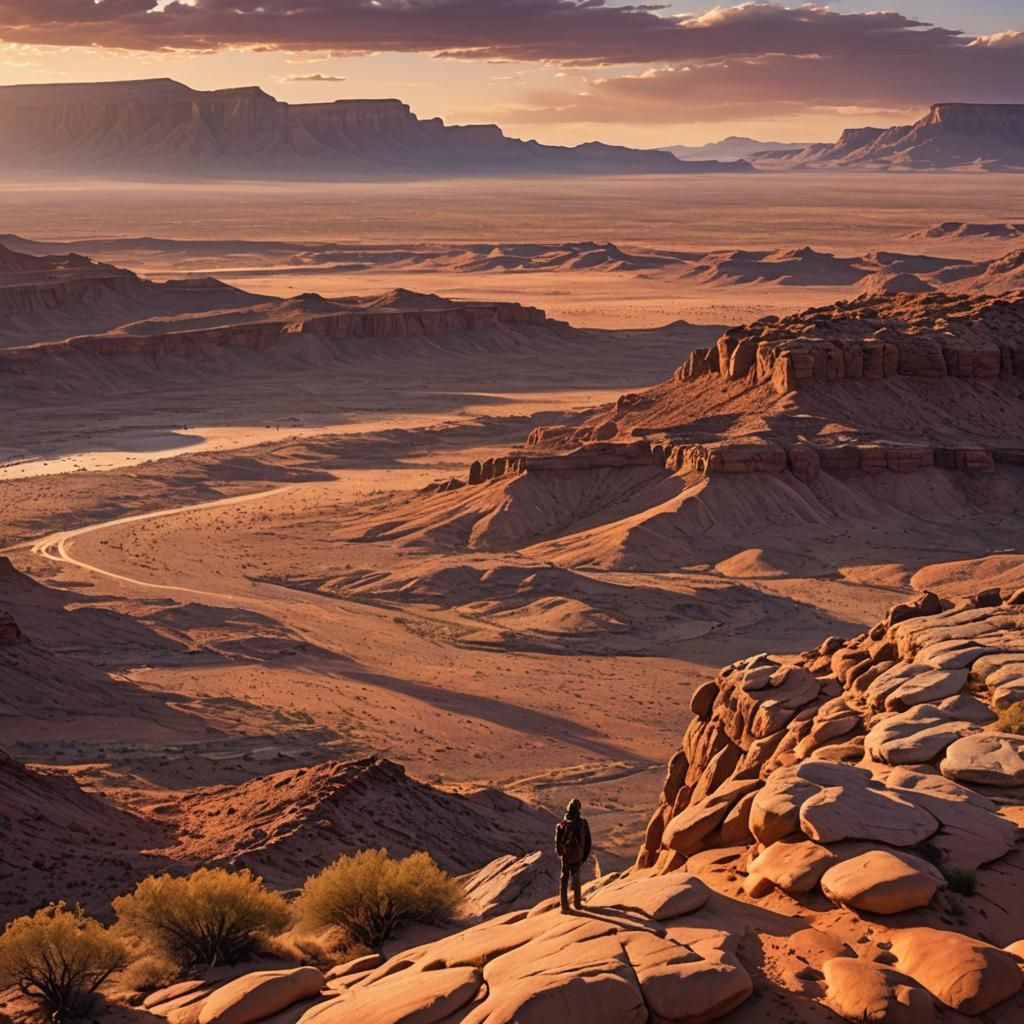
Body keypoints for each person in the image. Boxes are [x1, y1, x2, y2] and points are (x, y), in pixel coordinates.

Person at [555, 797, 592, 913]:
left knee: (564, 879)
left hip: (566, 856)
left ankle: (564, 907)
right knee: (576, 878)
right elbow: (588, 841)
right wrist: (583, 856)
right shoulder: (583, 823)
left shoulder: (562, 825)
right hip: (578, 856)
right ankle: (577, 904)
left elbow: (558, 843)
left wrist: (562, 854)